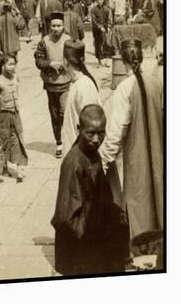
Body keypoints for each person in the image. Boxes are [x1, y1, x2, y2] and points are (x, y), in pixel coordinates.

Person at [99, 39, 163, 259]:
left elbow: (116, 133)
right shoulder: (156, 82)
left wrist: (103, 161)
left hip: (136, 159)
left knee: (138, 203)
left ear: (123, 59)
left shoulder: (124, 89)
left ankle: (142, 255)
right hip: (159, 154)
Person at [52, 104, 129, 276]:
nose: (96, 139)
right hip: (80, 248)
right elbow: (65, 218)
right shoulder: (74, 163)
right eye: (90, 133)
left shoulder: (93, 153)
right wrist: (96, 238)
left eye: (101, 133)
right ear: (80, 129)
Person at [0, 54, 28, 182]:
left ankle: (19, 169)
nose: (12, 67)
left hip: (16, 115)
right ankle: (4, 166)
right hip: (4, 116)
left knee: (18, 139)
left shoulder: (15, 78)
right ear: (3, 66)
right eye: (9, 64)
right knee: (4, 141)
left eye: (14, 64)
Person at [34, 12, 72, 158]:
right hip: (50, 83)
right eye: (54, 26)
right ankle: (59, 142)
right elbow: (38, 60)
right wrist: (50, 64)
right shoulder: (44, 41)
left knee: (64, 112)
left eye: (59, 26)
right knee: (54, 114)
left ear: (63, 26)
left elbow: (75, 58)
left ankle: (69, 139)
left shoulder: (68, 40)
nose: (56, 29)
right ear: (50, 26)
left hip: (65, 81)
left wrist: (65, 65)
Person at [61, 40, 101, 154]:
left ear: (65, 61)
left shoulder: (84, 86)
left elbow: (93, 128)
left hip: (81, 157)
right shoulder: (77, 83)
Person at [91, 0, 112, 67]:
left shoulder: (106, 9)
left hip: (105, 28)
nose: (101, 1)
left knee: (106, 44)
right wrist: (100, 27)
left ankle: (106, 61)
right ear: (96, 0)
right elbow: (94, 20)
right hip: (96, 29)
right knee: (98, 44)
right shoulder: (93, 9)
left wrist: (108, 26)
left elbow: (108, 19)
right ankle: (99, 61)